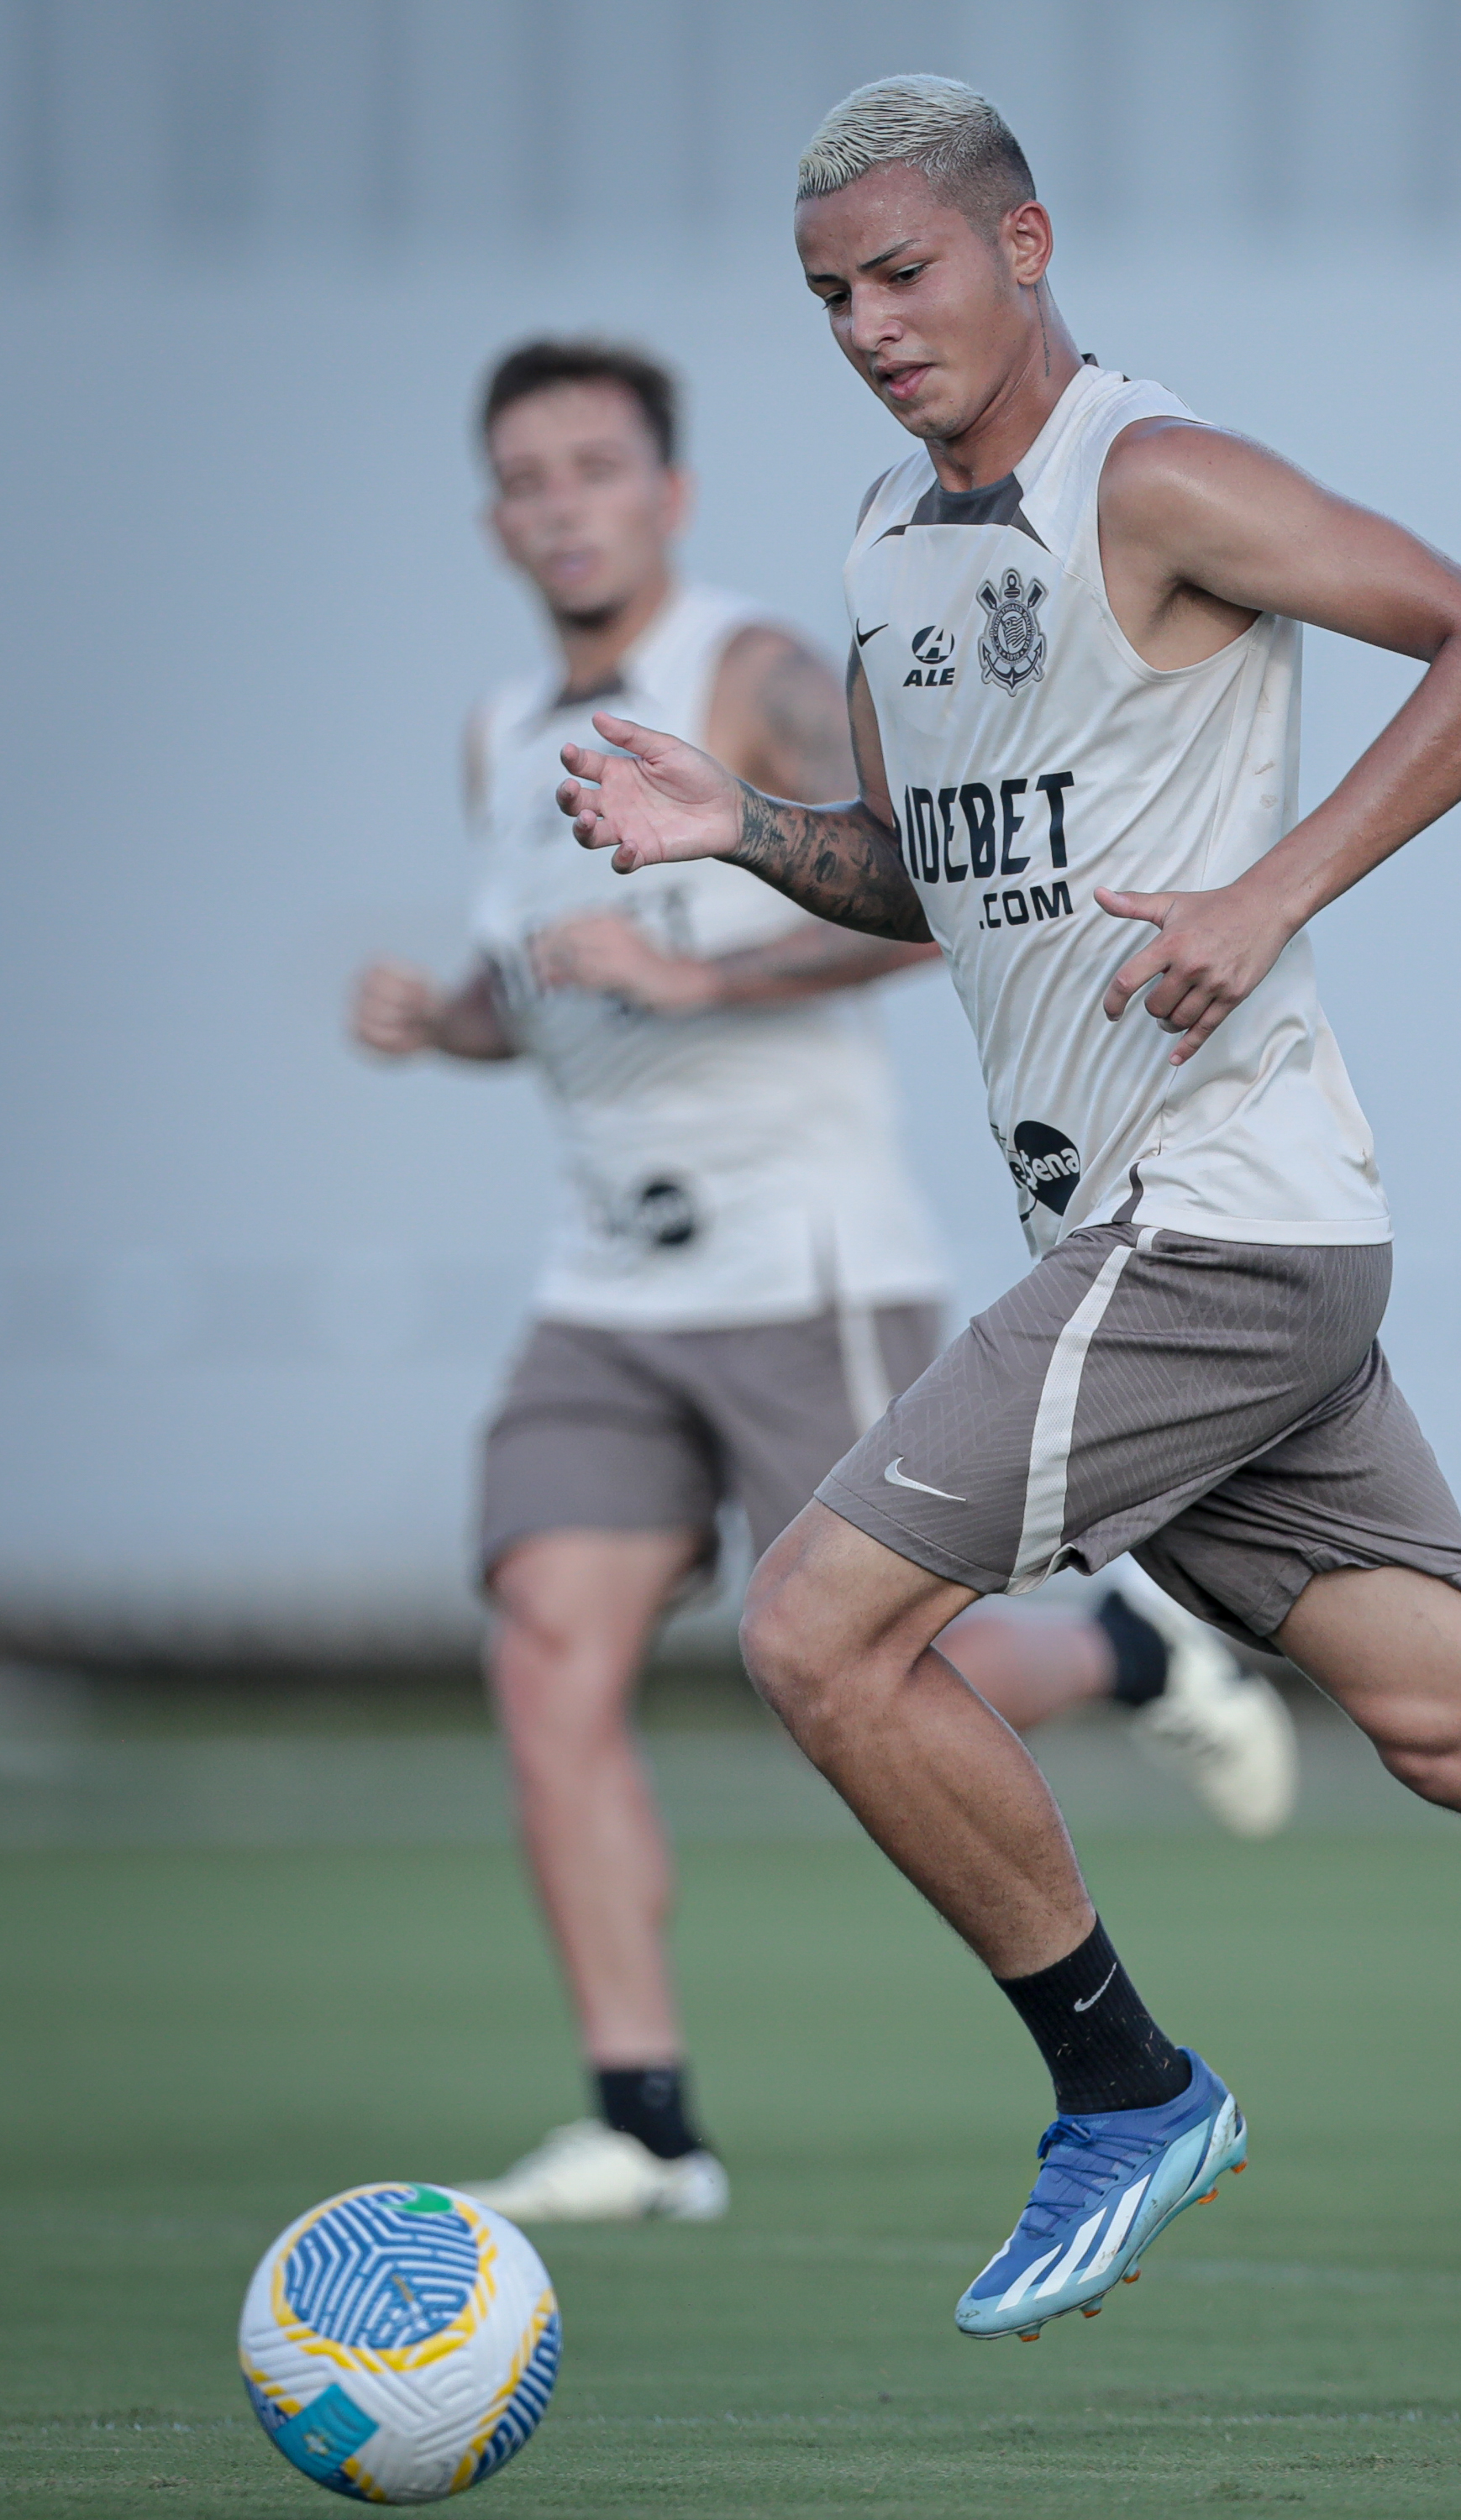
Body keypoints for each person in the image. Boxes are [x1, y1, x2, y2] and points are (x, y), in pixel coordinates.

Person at [549, 78, 1461, 2429]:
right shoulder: (892, 547)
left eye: (904, 272)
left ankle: (1125, 2088)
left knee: (819, 1627)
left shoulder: (1155, 479)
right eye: (828, 296)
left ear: (1026, 245)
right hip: (1180, 1244)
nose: (868, 325)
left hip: (1216, 1227)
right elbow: (934, 880)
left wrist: (1269, 891)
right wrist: (737, 825)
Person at [349, 336, 1299, 2225]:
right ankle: (645, 2126)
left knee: (876, 1660)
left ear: (669, 495)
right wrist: (445, 1021)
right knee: (546, 1650)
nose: (563, 506)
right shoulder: (497, 733)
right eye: (527, 479)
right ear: (494, 520)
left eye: (596, 468)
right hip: (608, 1282)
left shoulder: (760, 676)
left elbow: (927, 891)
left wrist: (703, 976)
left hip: (805, 1269)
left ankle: (1130, 1650)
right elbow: (549, 985)